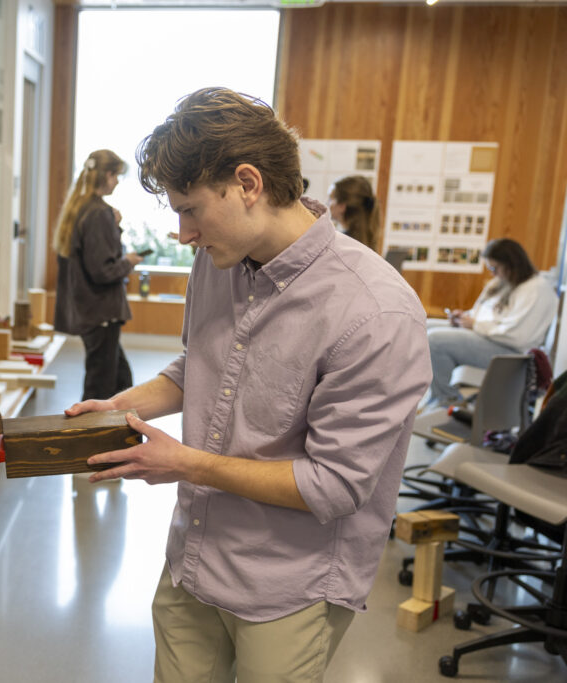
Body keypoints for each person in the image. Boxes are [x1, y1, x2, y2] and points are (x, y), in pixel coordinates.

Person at [67, 88, 432, 682]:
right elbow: (198, 366)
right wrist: (118, 405)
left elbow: (334, 485)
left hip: (288, 583)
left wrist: (187, 464)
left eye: (190, 210)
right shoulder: (218, 262)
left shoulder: (376, 314)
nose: (183, 234)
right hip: (194, 557)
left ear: (247, 183)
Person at [53, 149, 144, 400]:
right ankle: (87, 435)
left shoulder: (81, 208)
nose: (116, 182)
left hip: (88, 311)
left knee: (121, 380)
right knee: (100, 387)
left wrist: (114, 228)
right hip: (101, 312)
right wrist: (128, 262)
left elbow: (94, 256)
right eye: (116, 176)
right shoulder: (98, 213)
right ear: (107, 174)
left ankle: (108, 436)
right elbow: (103, 270)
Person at [427, 238, 557, 407]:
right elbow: (488, 314)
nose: (493, 273)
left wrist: (474, 324)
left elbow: (516, 336)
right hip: (489, 339)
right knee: (425, 325)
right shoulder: (504, 283)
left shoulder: (536, 289)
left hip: (511, 354)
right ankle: (436, 394)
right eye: (490, 268)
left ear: (512, 265)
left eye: (495, 268)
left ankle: (447, 401)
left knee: (434, 341)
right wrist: (464, 317)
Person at [328, 174, 380, 251]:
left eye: (330, 199)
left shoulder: (340, 244)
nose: (328, 204)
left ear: (342, 206)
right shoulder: (368, 240)